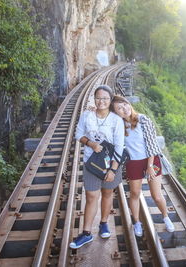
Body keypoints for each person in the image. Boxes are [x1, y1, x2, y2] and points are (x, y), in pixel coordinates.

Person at [69, 85, 125, 249]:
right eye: (99, 98)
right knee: (92, 196)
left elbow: (119, 146)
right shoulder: (87, 115)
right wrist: (91, 143)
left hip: (111, 164)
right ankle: (86, 233)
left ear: (110, 100)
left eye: (105, 98)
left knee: (107, 194)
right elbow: (78, 134)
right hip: (91, 163)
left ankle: (103, 223)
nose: (101, 101)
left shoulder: (116, 120)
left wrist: (113, 170)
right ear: (94, 99)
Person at [110, 95, 174, 237]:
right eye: (119, 108)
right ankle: (137, 222)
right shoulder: (119, 125)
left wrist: (149, 165)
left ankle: (165, 217)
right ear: (115, 113)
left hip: (152, 160)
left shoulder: (143, 119)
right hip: (133, 162)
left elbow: (151, 143)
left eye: (124, 104)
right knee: (134, 193)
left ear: (129, 103)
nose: (124, 109)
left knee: (156, 195)